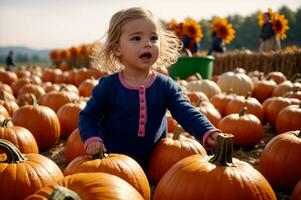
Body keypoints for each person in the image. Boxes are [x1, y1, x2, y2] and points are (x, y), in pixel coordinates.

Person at [78, 7, 220, 170]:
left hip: (155, 163)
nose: (147, 43)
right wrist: (92, 138)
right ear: (117, 48)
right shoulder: (109, 86)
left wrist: (207, 131)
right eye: (136, 38)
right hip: (113, 163)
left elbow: (185, 111)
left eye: (153, 38)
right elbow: (88, 116)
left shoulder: (165, 85)